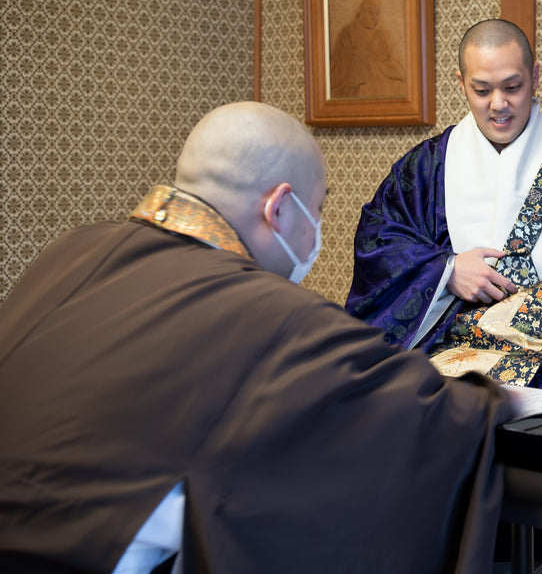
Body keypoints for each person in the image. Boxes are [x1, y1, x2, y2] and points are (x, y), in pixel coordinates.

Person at [0, 102, 512, 574]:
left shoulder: (70, 252)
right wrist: (495, 400)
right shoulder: (270, 316)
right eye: (318, 211)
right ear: (279, 209)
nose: (314, 239)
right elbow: (426, 416)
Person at [345, 19, 542, 396]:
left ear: (534, 77)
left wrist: (516, 314)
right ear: (461, 83)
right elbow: (378, 241)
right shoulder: (427, 166)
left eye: (512, 87)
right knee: (391, 390)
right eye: (482, 90)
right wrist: (446, 271)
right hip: (441, 338)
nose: (498, 104)